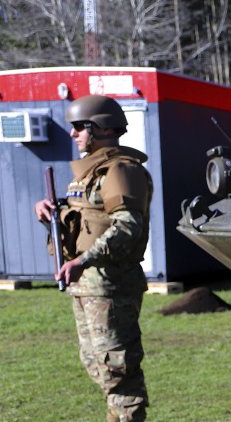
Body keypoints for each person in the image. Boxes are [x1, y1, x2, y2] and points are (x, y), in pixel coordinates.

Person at [34, 95, 152, 422]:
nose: (73, 135)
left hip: (110, 285)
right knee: (99, 367)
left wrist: (83, 261)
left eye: (78, 128)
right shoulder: (88, 173)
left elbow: (128, 225)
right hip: (87, 286)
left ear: (97, 128)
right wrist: (52, 212)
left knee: (118, 370)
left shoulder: (121, 170)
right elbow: (87, 216)